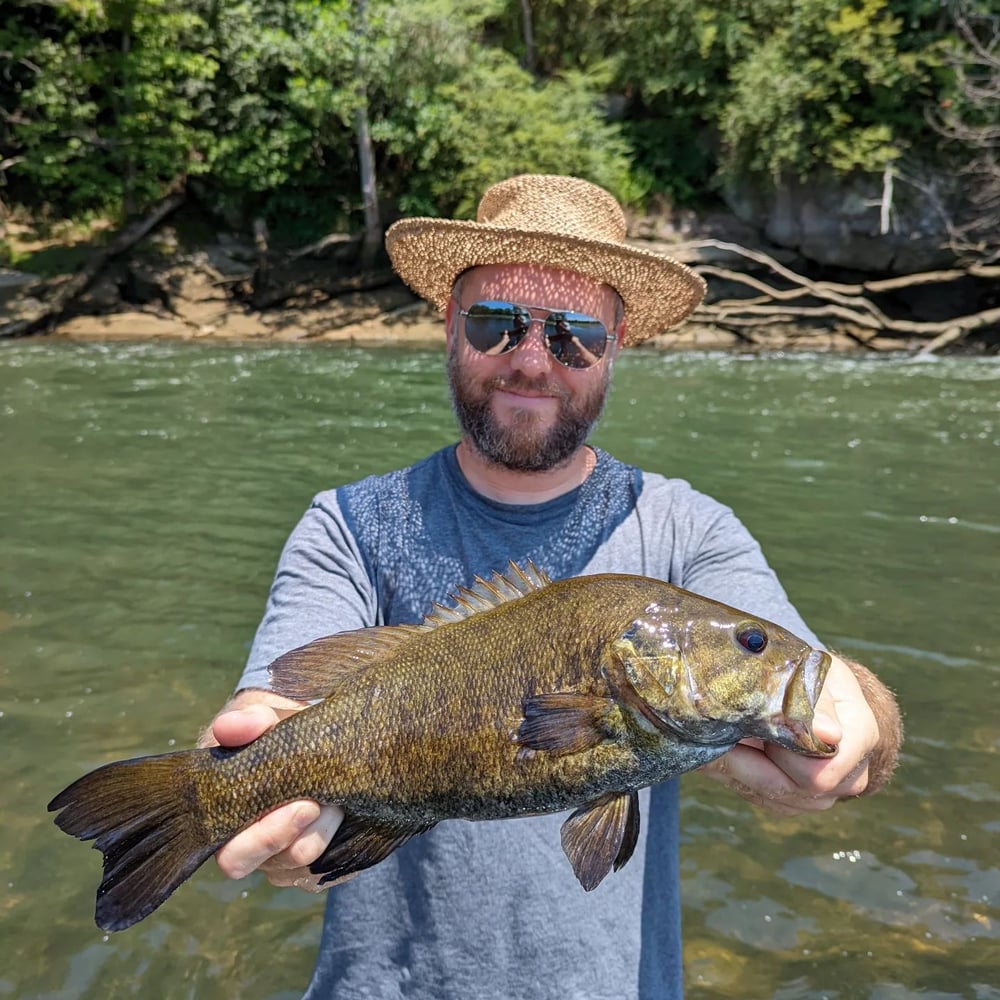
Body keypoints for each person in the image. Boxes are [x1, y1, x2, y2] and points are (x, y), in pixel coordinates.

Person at [201, 174, 902, 999]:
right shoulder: (348, 526)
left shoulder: (689, 531)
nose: (532, 360)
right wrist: (259, 790)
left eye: (574, 335)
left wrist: (860, 724)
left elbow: (844, 705)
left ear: (619, 341)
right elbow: (278, 709)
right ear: (448, 323)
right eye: (497, 323)